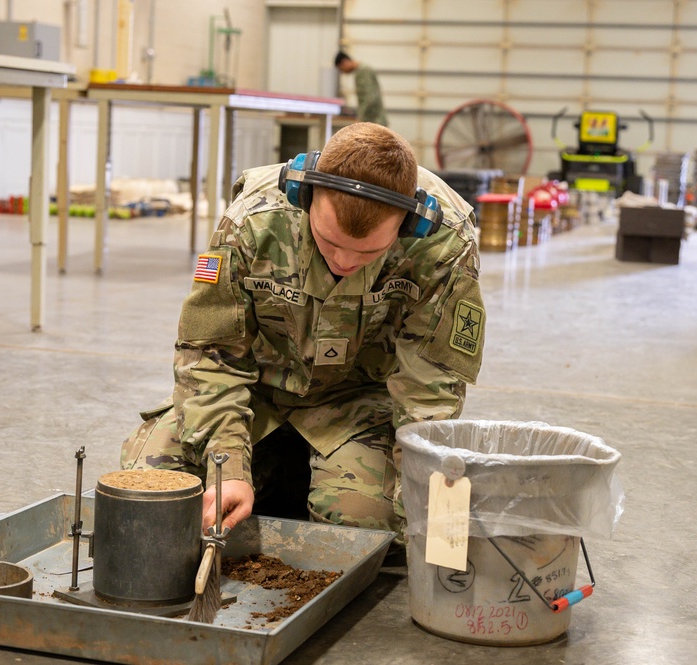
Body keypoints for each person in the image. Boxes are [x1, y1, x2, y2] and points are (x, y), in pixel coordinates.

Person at [120, 122, 485, 539]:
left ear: (408, 226)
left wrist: (427, 495)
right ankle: (270, 469)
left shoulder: (442, 243)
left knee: (368, 528)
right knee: (153, 483)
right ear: (304, 197)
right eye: (329, 241)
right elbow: (210, 353)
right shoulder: (254, 220)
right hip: (256, 392)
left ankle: (297, 476)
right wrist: (228, 464)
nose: (345, 261)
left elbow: (430, 387)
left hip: (358, 405)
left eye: (368, 252)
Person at [334, 51, 388, 126]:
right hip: (372, 120)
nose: (343, 72)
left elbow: (369, 97)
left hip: (374, 120)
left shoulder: (363, 71)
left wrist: (361, 118)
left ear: (345, 62)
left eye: (341, 68)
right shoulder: (361, 71)